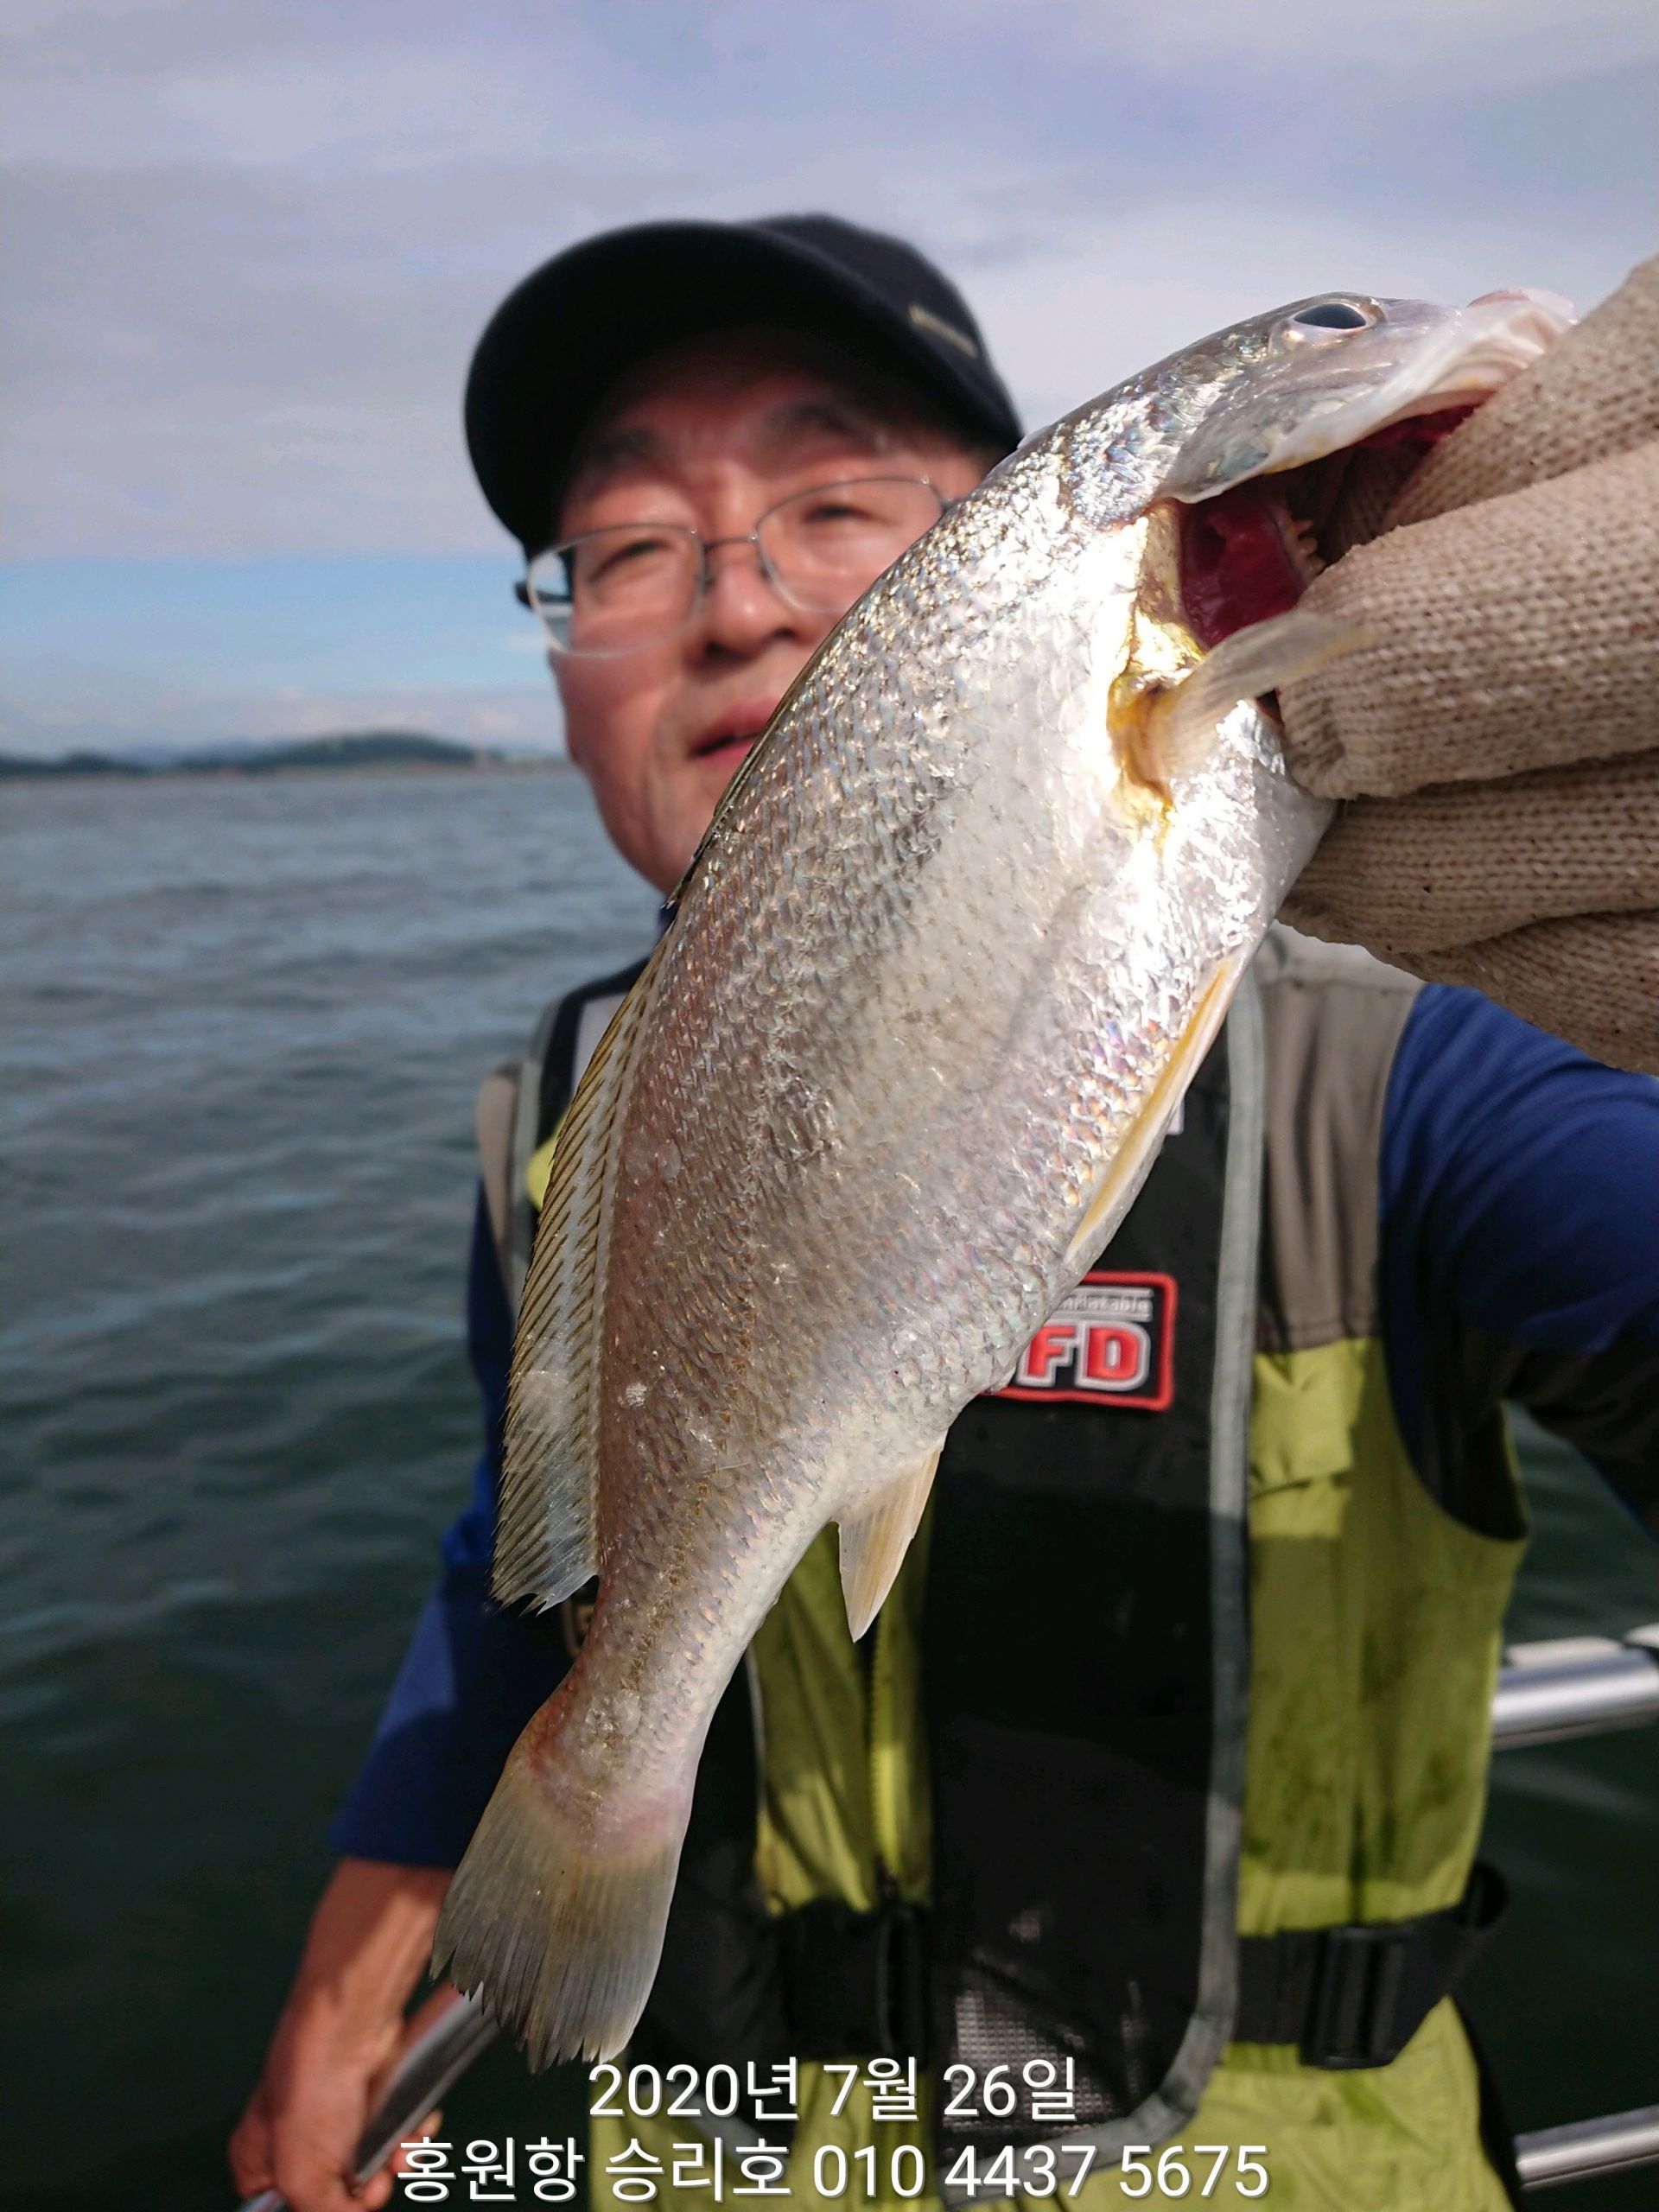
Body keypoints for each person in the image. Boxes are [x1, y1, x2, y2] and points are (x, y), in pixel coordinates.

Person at [231, 219, 1659, 2212]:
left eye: (832, 505)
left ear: (991, 559)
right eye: (626, 546)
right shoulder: (564, 1113)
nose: (733, 602)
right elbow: (525, 1558)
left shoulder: (1428, 1066)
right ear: (559, 664)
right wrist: (351, 1962)